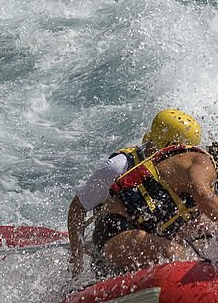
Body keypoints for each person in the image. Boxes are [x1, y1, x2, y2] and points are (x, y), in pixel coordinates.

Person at [92, 124, 218, 272]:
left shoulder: (213, 181)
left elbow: (193, 226)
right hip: (115, 230)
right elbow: (202, 194)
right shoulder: (203, 163)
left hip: (134, 235)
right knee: (177, 254)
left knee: (199, 251)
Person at [67, 109, 201, 275]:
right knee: (174, 253)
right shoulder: (119, 167)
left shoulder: (180, 172)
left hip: (149, 236)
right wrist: (76, 258)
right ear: (167, 147)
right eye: (182, 152)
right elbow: (77, 208)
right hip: (114, 239)